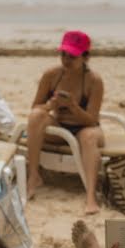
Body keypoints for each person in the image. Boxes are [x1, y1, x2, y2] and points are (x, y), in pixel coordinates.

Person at [26, 30, 104, 214]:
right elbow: (35, 107)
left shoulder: (94, 81)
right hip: (60, 129)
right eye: (63, 55)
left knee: (89, 137)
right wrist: (51, 105)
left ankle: (91, 197)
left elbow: (92, 120)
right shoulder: (52, 75)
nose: (66, 60)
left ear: (85, 57)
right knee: (36, 116)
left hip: (85, 127)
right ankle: (33, 176)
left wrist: (74, 107)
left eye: (72, 56)